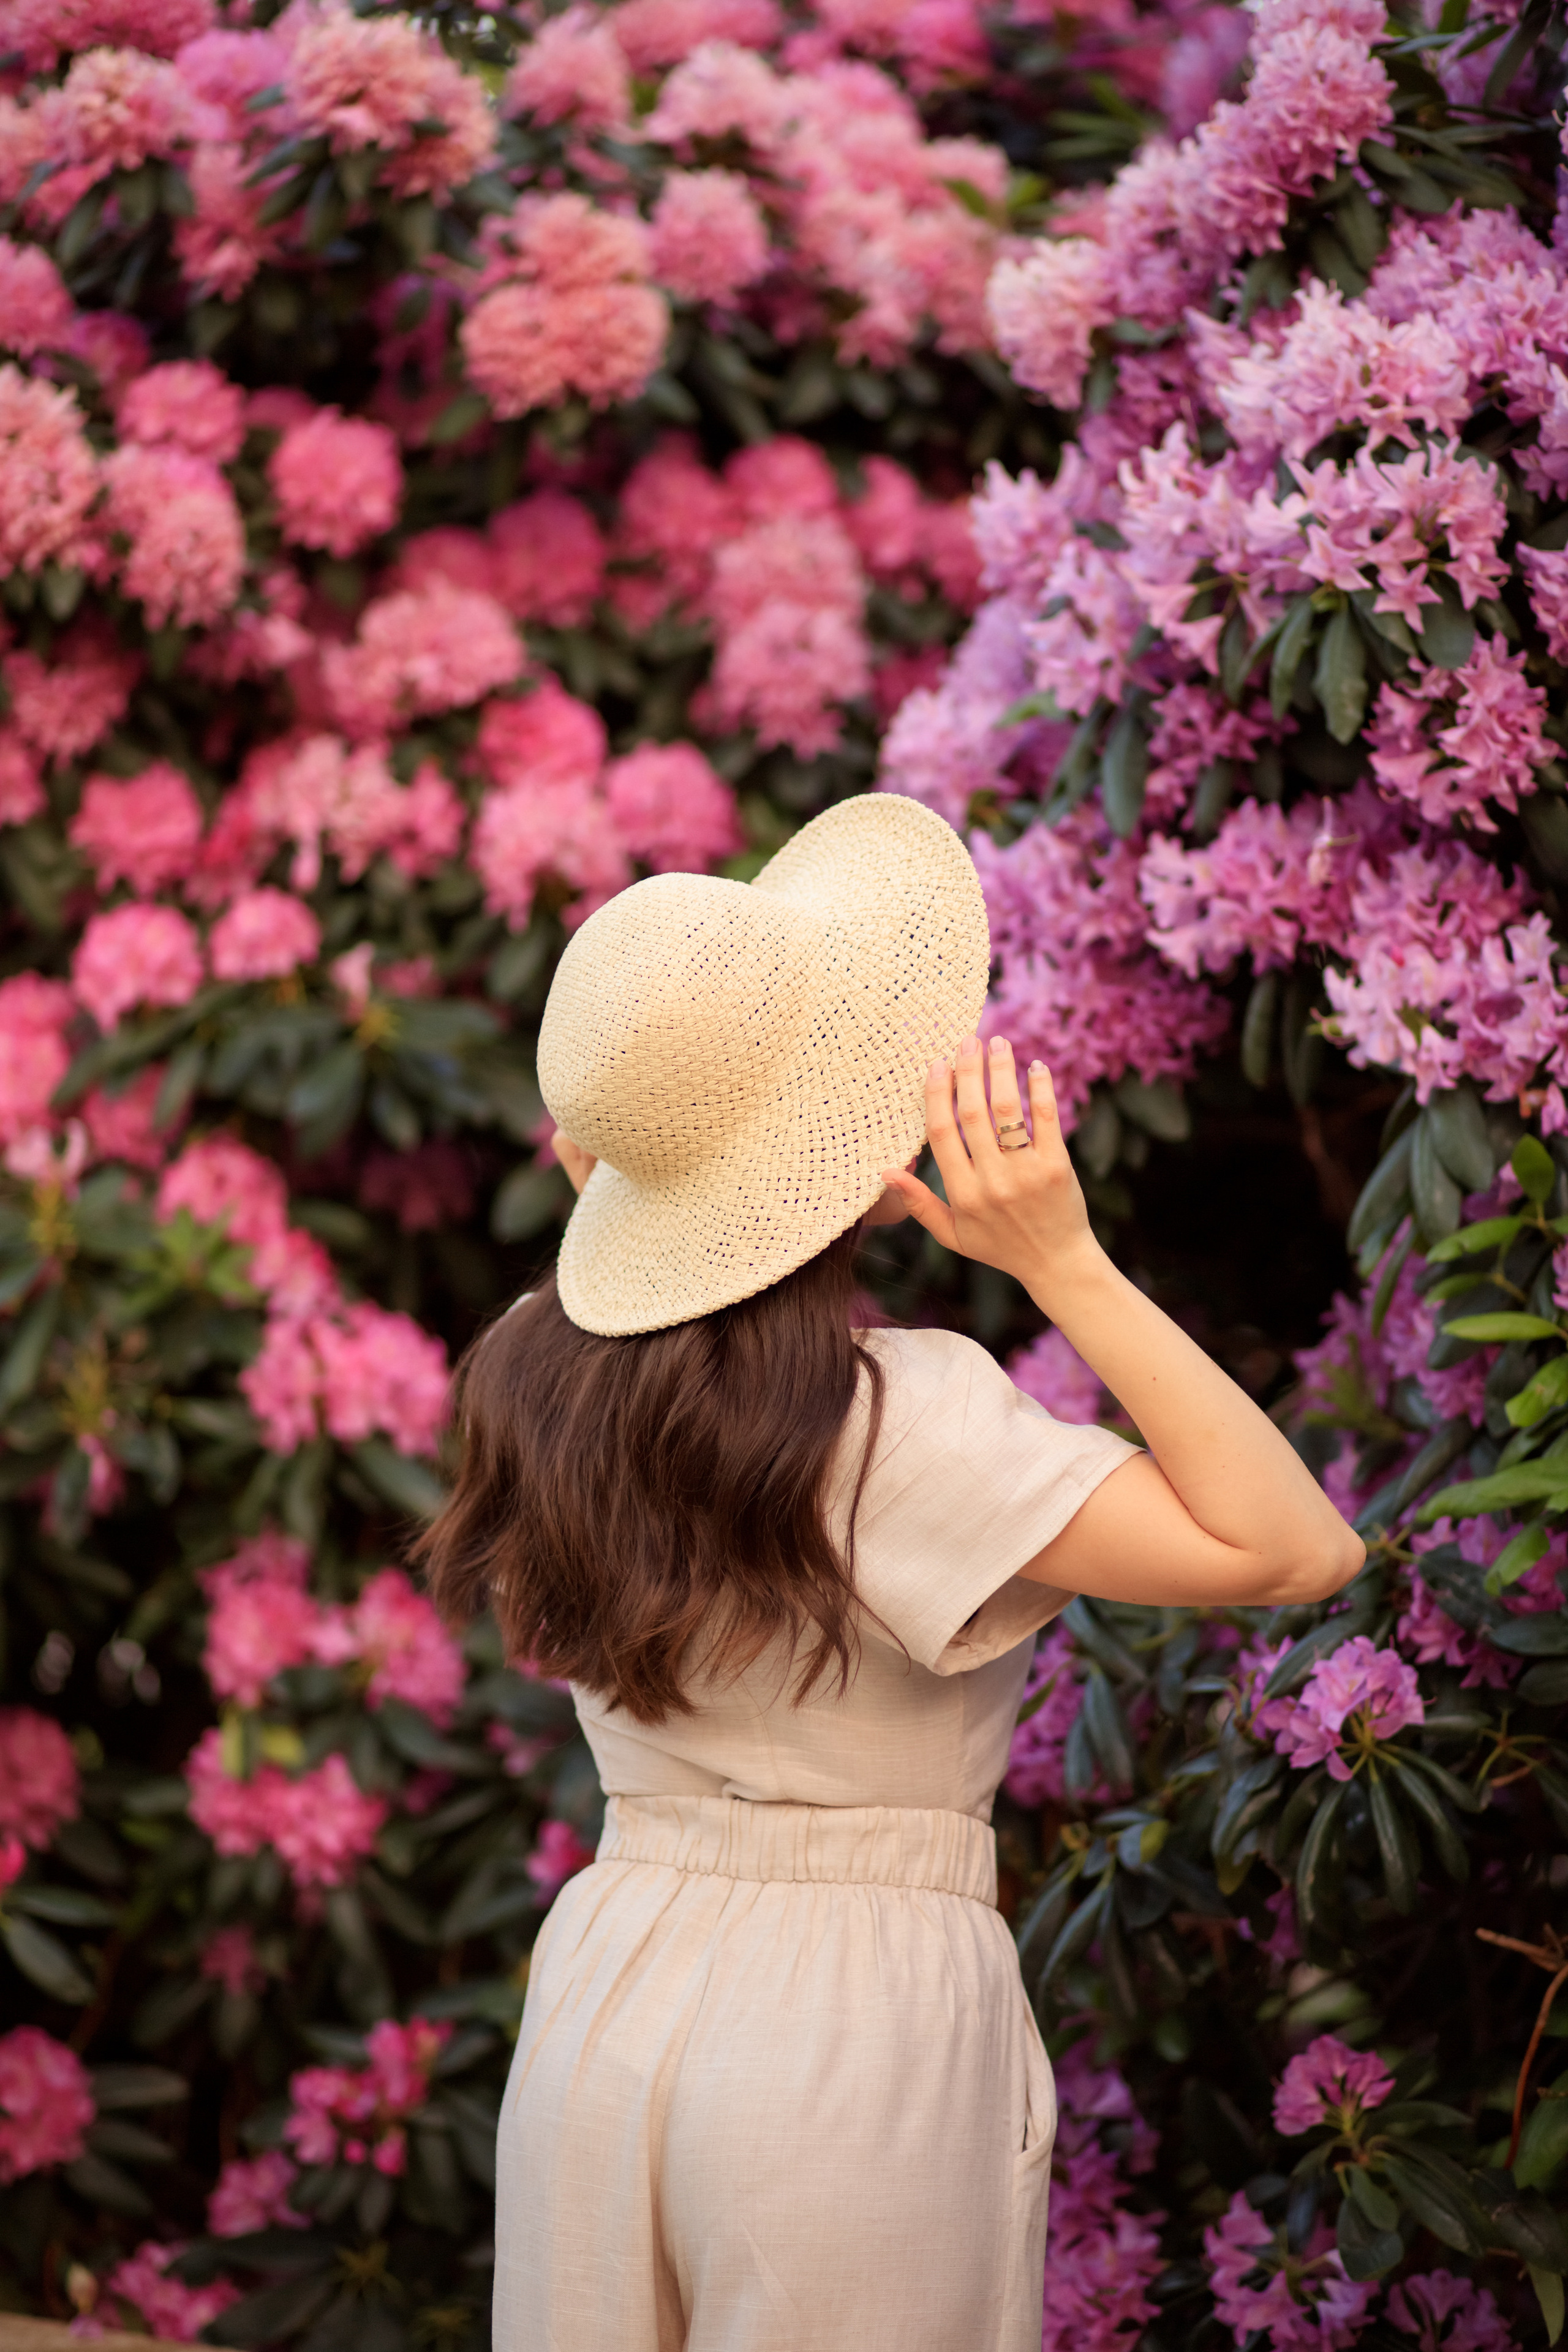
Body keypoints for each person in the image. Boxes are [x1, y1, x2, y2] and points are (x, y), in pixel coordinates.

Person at [420, 792, 1363, 2352]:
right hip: (843, 2027)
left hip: (603, 1984)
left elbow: (628, 1260)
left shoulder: (530, 1370)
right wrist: (1063, 1261)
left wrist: (651, 1168)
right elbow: (1295, 1547)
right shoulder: (896, 1423)